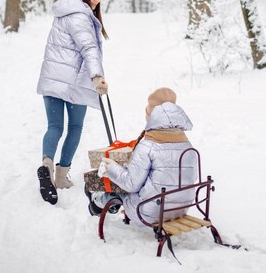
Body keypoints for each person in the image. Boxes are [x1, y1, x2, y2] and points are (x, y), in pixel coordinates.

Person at [37, 0, 109, 205]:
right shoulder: (81, 16)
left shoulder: (63, 13)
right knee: (75, 128)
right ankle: (60, 174)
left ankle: (46, 165)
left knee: (54, 126)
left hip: (52, 79)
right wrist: (97, 76)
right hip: (74, 83)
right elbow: (88, 48)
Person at [85, 87, 198, 226]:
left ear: (153, 116)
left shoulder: (148, 146)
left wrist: (111, 168)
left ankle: (96, 202)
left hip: (149, 212)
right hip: (180, 208)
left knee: (119, 188)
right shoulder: (187, 145)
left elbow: (131, 184)